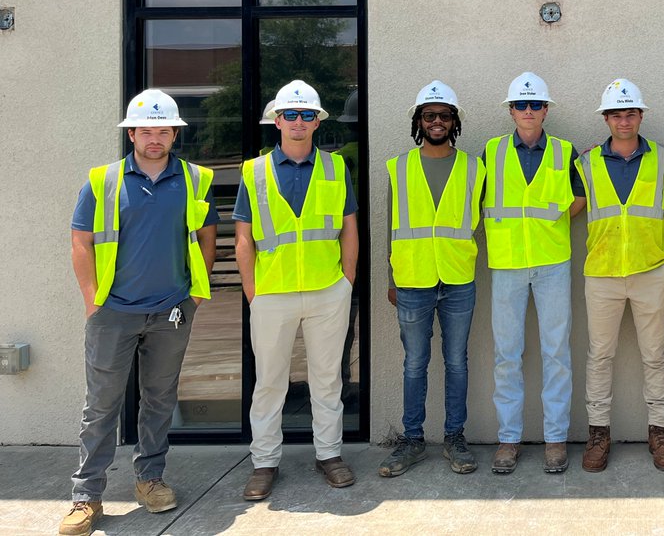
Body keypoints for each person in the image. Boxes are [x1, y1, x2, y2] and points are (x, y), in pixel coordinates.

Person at [62, 89, 217, 536]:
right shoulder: (103, 181)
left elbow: (208, 235)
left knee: (159, 399)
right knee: (101, 405)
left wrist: (195, 294)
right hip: (113, 313)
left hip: (171, 310)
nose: (155, 138)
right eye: (146, 130)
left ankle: (150, 479)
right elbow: (81, 242)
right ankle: (86, 496)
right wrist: (93, 300)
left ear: (174, 135)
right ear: (131, 134)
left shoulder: (194, 179)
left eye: (163, 130)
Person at [234, 79, 359, 500]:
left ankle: (330, 455)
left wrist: (346, 280)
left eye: (307, 115)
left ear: (318, 122)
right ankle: (264, 462)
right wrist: (253, 291)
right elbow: (244, 237)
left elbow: (349, 228)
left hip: (328, 291)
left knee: (327, 380)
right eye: (291, 114)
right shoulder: (254, 171)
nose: (299, 122)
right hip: (272, 294)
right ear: (277, 120)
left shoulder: (336, 167)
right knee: (270, 383)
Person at [575, 79, 664, 473]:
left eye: (631, 113)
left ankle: (659, 432)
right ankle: (598, 434)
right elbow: (566, 209)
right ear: (606, 119)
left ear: (641, 116)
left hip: (650, 270)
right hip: (602, 272)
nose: (624, 121)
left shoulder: (663, 158)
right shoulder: (586, 163)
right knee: (599, 356)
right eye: (617, 114)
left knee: (655, 355)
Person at [378, 81, 483, 478]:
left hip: (458, 277)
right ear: (419, 122)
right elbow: (390, 226)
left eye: (444, 115)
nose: (437, 121)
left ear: (454, 122)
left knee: (457, 362)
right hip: (412, 278)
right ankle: (412, 440)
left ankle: (455, 437)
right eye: (429, 115)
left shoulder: (474, 167)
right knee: (414, 364)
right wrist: (391, 278)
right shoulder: (399, 167)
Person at [483, 72, 586, 475]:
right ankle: (508, 439)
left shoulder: (565, 151)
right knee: (507, 355)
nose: (528, 111)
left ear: (546, 110)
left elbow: (579, 196)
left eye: (535, 105)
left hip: (552, 262)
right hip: (506, 263)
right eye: (521, 105)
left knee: (556, 353)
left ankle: (555, 438)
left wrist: (550, 226)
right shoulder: (491, 152)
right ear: (511, 111)